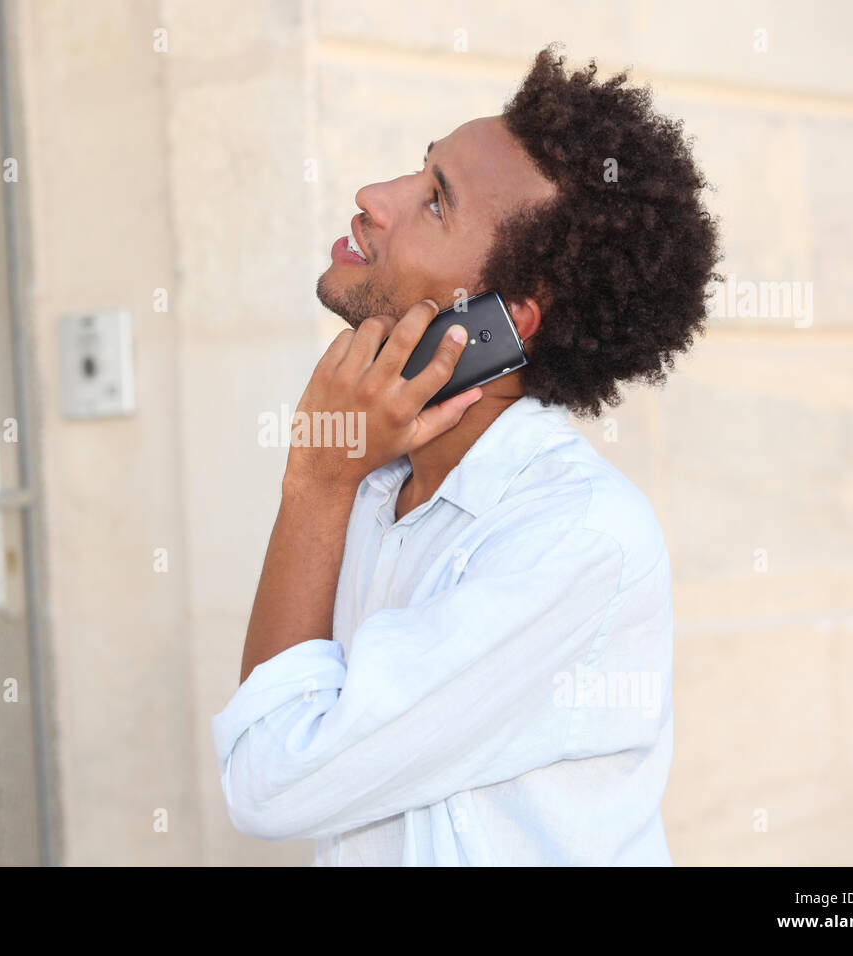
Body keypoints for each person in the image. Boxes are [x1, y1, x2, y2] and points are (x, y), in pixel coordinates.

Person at [211, 44, 722, 865]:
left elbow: (270, 780)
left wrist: (314, 476)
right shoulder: (379, 481)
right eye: (420, 171)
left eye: (435, 203)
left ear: (503, 322)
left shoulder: (573, 538)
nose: (374, 199)